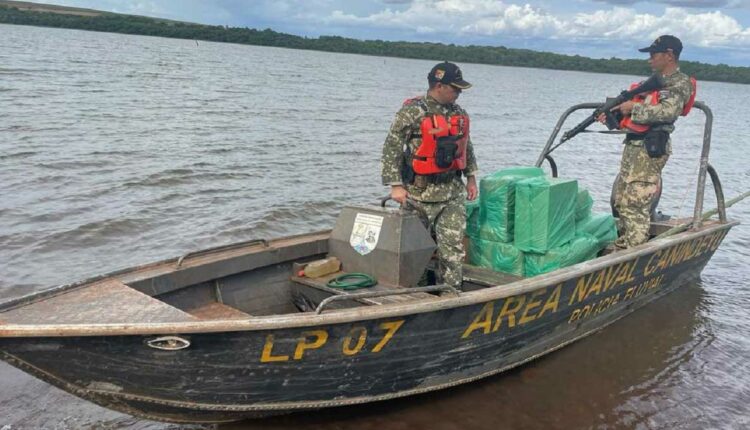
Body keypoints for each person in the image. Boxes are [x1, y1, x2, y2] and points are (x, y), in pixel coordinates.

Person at [381, 61, 479, 291]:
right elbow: (392, 148)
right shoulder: (412, 111)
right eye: (455, 88)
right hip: (417, 196)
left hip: (451, 194)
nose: (459, 93)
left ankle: (450, 295)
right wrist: (396, 185)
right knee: (415, 251)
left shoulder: (459, 114)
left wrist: (471, 177)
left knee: (452, 251)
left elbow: (467, 146)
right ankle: (417, 295)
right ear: (438, 85)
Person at [608, 35, 695, 249]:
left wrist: (632, 108)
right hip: (634, 146)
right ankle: (624, 245)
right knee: (620, 201)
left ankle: (634, 254)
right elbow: (638, 115)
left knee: (635, 204)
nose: (650, 60)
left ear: (669, 55)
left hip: (650, 149)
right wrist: (615, 116)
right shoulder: (652, 84)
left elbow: (668, 111)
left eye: (653, 55)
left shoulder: (679, 82)